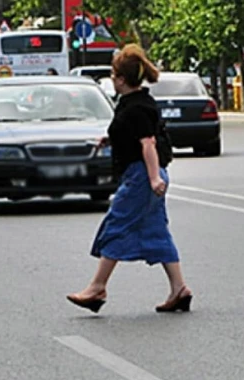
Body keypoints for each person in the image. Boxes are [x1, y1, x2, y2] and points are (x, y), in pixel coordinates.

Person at [66, 44, 193, 314]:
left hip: (141, 176)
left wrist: (154, 178)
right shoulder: (138, 103)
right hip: (144, 174)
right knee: (156, 230)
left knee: (117, 224)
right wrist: (110, 139)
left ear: (121, 79)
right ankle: (179, 289)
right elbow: (136, 136)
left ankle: (97, 287)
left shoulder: (135, 109)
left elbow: (147, 144)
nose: (112, 78)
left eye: (114, 74)